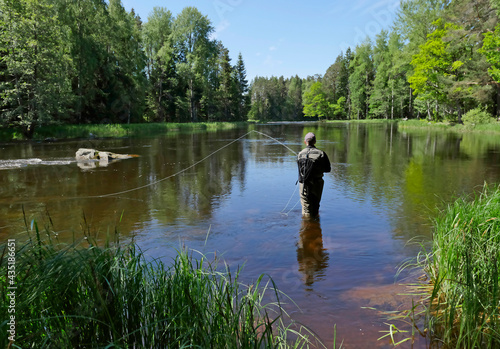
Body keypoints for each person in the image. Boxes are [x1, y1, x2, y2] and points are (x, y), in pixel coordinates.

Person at [297, 132, 331, 217]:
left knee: (306, 207)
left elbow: (300, 170)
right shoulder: (321, 153)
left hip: (303, 184)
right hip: (317, 183)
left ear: (305, 142)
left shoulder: (300, 154)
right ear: (315, 141)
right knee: (315, 205)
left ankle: (307, 226)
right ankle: (314, 225)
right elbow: (328, 169)